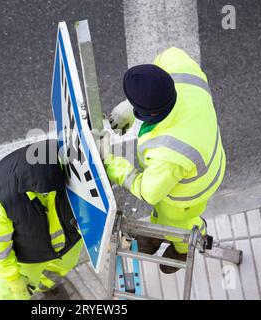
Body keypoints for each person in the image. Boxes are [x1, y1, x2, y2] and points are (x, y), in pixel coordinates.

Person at [102, 47, 226, 274]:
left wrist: (112, 166)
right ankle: (159, 233)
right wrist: (131, 107)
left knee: (177, 221)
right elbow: (166, 57)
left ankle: (183, 244)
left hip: (188, 192)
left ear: (148, 115)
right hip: (209, 164)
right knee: (164, 211)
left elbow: (149, 191)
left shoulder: (169, 151)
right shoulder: (185, 73)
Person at [0, 139, 82, 299]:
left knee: (55, 273)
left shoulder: (67, 160)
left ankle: (46, 288)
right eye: (44, 193)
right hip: (28, 259)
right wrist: (13, 278)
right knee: (10, 295)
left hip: (70, 246)